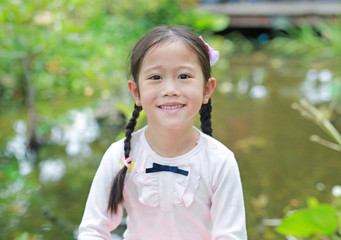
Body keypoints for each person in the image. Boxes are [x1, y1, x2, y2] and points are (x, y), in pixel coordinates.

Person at [78, 25, 247, 240]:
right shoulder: (119, 156)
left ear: (207, 89)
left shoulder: (220, 161)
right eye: (156, 77)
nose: (170, 89)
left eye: (184, 76)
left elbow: (231, 235)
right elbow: (93, 230)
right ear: (136, 92)